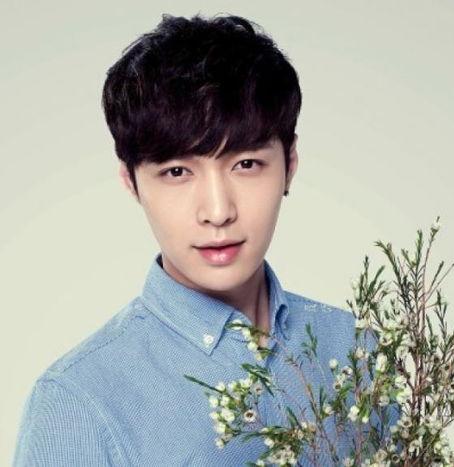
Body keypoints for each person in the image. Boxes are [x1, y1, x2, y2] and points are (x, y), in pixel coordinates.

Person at [13, 13, 396, 466]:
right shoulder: (76, 406)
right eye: (177, 172)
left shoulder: (357, 349)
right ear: (131, 182)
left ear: (290, 164)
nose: (218, 211)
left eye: (246, 164)